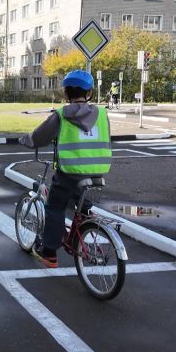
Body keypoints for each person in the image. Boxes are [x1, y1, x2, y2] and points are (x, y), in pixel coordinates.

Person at [18, 69, 111, 268]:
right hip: (98, 171)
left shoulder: (61, 115)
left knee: (55, 207)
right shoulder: (102, 114)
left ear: (66, 93)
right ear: (90, 92)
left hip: (70, 172)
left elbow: (40, 137)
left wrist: (26, 140)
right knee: (79, 196)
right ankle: (84, 220)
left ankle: (49, 253)